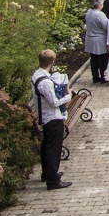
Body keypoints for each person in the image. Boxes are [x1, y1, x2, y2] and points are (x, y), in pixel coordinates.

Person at [32, 50, 72, 190]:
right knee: (53, 149)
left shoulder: (37, 74)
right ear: (52, 62)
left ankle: (47, 173)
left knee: (47, 146)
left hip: (46, 117)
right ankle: (53, 179)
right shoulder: (46, 83)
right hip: (52, 118)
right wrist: (68, 97)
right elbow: (54, 102)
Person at [84, 0, 109, 83]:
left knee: (93, 59)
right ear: (100, 5)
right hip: (99, 39)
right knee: (103, 59)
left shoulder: (89, 12)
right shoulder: (100, 15)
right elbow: (106, 27)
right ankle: (103, 77)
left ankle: (95, 77)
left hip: (90, 38)